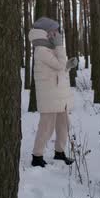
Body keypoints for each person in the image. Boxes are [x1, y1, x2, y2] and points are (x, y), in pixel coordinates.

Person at [28, 17, 77, 167]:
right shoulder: (41, 50)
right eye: (54, 31)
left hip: (57, 94)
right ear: (45, 33)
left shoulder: (50, 48)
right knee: (46, 127)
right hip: (50, 95)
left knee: (64, 124)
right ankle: (37, 156)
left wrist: (68, 66)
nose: (57, 33)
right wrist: (60, 47)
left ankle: (59, 152)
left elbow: (60, 68)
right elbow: (58, 64)